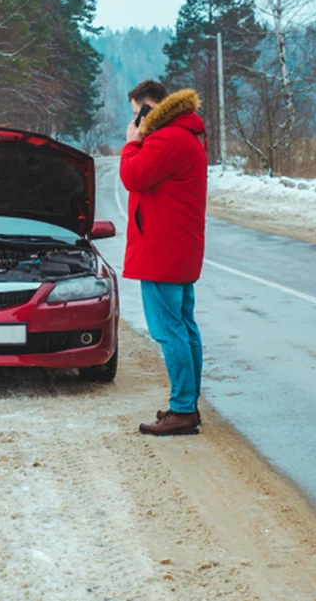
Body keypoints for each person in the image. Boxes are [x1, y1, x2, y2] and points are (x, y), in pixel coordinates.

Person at [119, 79, 208, 436]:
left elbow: (133, 176)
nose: (136, 122)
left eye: (137, 114)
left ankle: (183, 409)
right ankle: (187, 404)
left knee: (169, 331)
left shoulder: (167, 138)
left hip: (162, 251)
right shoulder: (185, 135)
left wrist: (131, 143)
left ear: (149, 107)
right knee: (184, 327)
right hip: (176, 250)